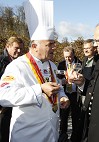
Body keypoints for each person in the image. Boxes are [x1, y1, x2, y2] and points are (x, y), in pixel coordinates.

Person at [0, 0, 69, 142]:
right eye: (50, 44)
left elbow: (58, 87)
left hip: (51, 134)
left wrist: (62, 96)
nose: (54, 47)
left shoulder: (52, 65)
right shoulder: (17, 66)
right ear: (34, 45)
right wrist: (39, 90)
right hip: (28, 135)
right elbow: (4, 96)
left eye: (54, 44)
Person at [0, 36, 24, 142]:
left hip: (16, 105)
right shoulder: (1, 61)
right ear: (7, 47)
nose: (19, 51)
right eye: (16, 48)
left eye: (21, 49)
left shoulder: (21, 62)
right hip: (3, 108)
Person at [77, 39, 99, 141]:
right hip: (83, 92)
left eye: (88, 48)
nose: (85, 50)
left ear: (94, 49)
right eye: (84, 48)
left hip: (92, 93)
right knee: (83, 118)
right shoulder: (85, 60)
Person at [57, 46, 82, 142]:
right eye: (66, 57)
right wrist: (62, 81)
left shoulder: (80, 63)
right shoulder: (61, 64)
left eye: (70, 57)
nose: (68, 59)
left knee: (76, 117)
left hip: (76, 94)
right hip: (65, 93)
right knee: (64, 117)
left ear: (74, 54)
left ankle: (75, 138)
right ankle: (63, 137)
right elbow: (58, 77)